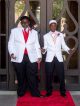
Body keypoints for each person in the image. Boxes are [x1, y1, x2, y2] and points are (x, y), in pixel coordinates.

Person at [8, 16, 42, 97]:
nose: (24, 23)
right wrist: (12, 53)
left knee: (32, 76)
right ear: (21, 23)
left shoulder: (34, 32)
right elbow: (10, 43)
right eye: (22, 22)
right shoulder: (14, 31)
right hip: (18, 57)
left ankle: (35, 93)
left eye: (26, 22)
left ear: (29, 22)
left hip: (31, 57)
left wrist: (39, 56)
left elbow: (37, 44)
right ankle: (21, 92)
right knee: (20, 76)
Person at [41, 20, 74, 97]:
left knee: (61, 75)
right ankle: (48, 91)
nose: (53, 27)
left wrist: (68, 50)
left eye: (54, 25)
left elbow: (63, 45)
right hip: (49, 58)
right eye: (51, 25)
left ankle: (62, 92)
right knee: (48, 75)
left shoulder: (61, 35)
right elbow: (45, 47)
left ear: (56, 26)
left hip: (59, 57)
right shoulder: (45, 36)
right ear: (49, 27)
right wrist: (43, 50)